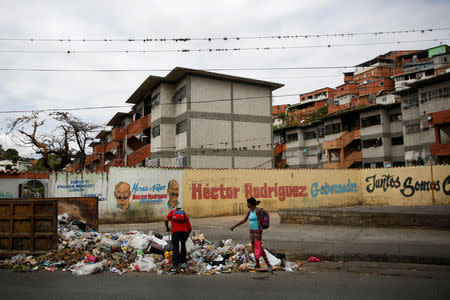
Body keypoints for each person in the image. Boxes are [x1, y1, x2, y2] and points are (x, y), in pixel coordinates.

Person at [230, 197, 272, 272]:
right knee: (253, 247)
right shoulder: (250, 211)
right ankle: (257, 263)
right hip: (251, 231)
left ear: (251, 203)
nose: (247, 205)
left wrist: (259, 234)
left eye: (248, 203)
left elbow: (259, 223)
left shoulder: (257, 211)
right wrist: (234, 226)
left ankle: (268, 264)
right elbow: (244, 220)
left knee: (259, 248)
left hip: (257, 231)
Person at [165, 206, 192, 271]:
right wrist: (188, 233)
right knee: (183, 246)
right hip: (184, 232)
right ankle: (183, 262)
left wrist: (167, 228)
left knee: (176, 247)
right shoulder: (184, 214)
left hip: (175, 231)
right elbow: (190, 227)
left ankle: (175, 263)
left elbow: (166, 220)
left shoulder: (172, 212)